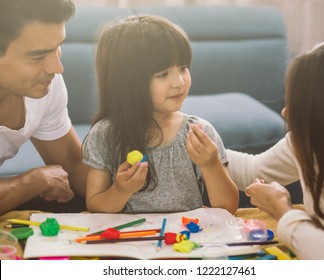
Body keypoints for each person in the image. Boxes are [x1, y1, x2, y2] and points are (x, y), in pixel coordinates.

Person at [83, 15, 238, 214]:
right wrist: (121, 190)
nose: (179, 82)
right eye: (163, 74)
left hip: (186, 240)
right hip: (131, 242)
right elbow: (95, 206)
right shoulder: (105, 134)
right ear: (128, 82)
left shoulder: (199, 132)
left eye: (183, 68)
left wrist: (211, 164)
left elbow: (227, 208)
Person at [226, 41, 324, 259]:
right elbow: (255, 170)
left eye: (300, 104)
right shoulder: (308, 142)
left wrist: (281, 210)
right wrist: (201, 145)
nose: (285, 113)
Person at [0, 0, 87, 215]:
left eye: (58, 47)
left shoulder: (46, 85)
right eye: (37, 56)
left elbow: (73, 167)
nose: (57, 68)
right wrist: (33, 181)